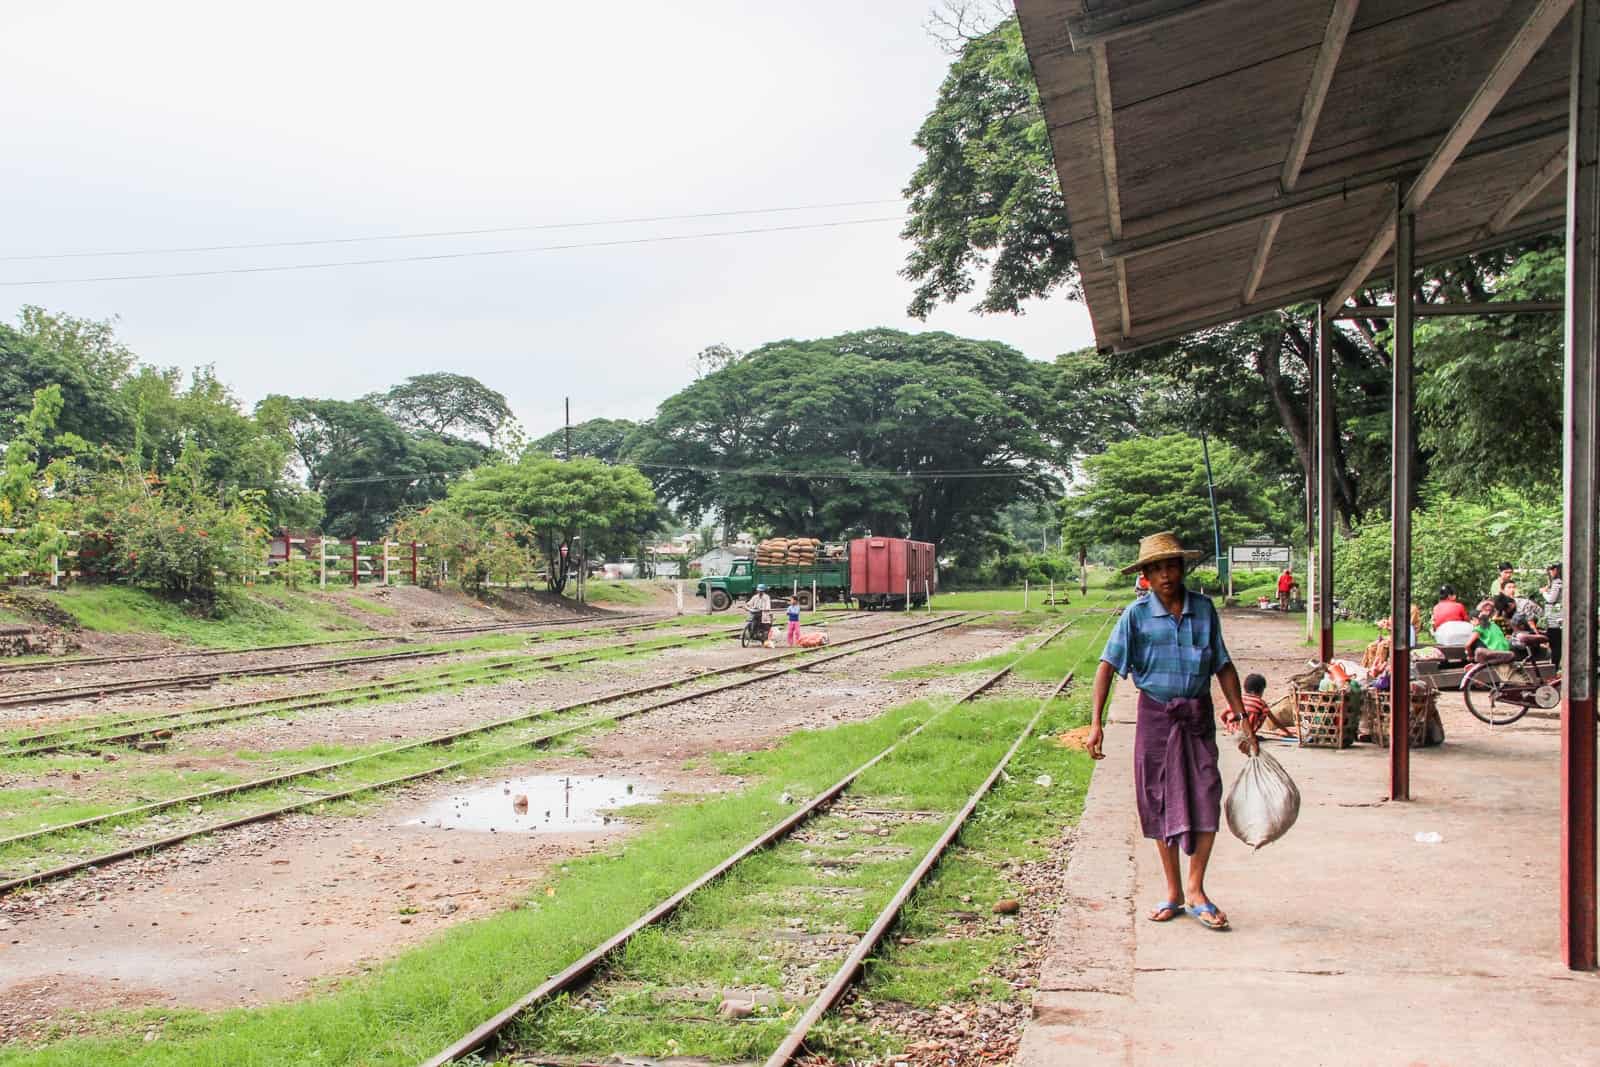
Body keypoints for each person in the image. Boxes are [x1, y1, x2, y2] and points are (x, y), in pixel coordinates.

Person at [1088, 531, 1255, 932]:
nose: (1165, 575)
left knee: (1206, 794)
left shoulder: (1204, 609)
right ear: (1145, 575)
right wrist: (1096, 724)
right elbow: (1106, 667)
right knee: (1158, 800)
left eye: (1171, 566)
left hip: (1196, 716)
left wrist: (1242, 716)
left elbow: (1223, 665)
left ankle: (1197, 890)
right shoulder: (1136, 616)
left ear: (1182, 568)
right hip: (1156, 718)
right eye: (1156, 569)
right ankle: (1173, 892)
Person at [1224, 672, 1296, 738]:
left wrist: (1229, 727)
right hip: (1246, 735)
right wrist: (1289, 734)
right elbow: (1275, 721)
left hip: (1232, 732)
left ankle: (1237, 732)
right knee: (1263, 711)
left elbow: (1223, 715)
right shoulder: (1260, 702)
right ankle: (1249, 735)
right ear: (1260, 690)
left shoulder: (1237, 699)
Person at [1465, 599, 1517, 667]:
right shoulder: (1493, 624)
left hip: (1495, 653)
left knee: (1474, 642)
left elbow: (1467, 645)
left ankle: (1476, 662)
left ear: (1474, 619)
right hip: (1506, 651)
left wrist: (1470, 656)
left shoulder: (1480, 627)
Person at [1542, 563, 1564, 669]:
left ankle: (1554, 667)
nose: (1550, 573)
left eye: (1551, 570)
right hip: (1556, 618)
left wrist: (1544, 592)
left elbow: (1551, 599)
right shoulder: (1562, 582)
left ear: (1555, 570)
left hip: (1554, 619)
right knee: (1556, 644)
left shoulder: (1557, 582)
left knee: (1555, 644)